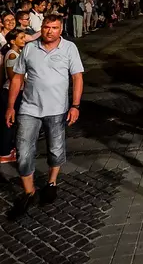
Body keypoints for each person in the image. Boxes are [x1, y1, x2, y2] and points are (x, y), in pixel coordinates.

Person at [5, 15, 84, 219]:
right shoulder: (30, 48)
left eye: (54, 27)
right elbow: (17, 78)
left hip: (57, 109)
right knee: (23, 151)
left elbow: (77, 77)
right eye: (47, 27)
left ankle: (51, 182)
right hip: (29, 108)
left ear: (61, 29)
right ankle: (29, 192)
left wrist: (75, 105)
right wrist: (10, 106)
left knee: (55, 149)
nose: (50, 31)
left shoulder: (69, 48)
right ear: (42, 28)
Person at [1, 29, 26, 164]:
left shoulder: (18, 53)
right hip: (12, 92)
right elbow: (13, 77)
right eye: (21, 38)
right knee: (9, 122)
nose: (24, 40)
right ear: (12, 41)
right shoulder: (12, 55)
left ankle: (9, 148)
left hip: (17, 91)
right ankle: (5, 152)